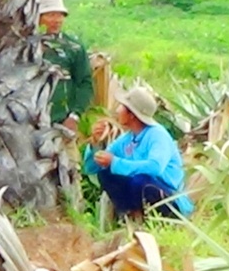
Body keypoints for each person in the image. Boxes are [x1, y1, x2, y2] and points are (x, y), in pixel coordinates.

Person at [82, 86, 194, 219]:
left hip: (169, 198)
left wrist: (115, 162)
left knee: (140, 180)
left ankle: (146, 218)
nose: (117, 110)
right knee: (106, 173)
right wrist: (95, 145)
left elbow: (155, 167)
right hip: (142, 193)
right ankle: (129, 215)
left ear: (132, 115)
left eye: (122, 106)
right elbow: (90, 168)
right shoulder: (126, 139)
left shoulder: (157, 135)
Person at [37, 0, 94, 133]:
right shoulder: (21, 46)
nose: (57, 20)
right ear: (37, 18)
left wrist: (74, 116)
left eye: (60, 15)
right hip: (27, 127)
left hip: (62, 125)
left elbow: (85, 83)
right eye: (50, 15)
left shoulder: (73, 48)